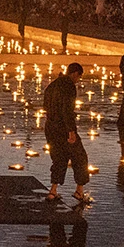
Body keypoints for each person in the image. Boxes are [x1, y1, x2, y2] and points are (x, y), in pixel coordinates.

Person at [42, 61, 90, 203]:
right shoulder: (68, 86)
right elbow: (66, 110)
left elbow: (45, 105)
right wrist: (71, 131)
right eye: (78, 77)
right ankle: (79, 191)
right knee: (80, 157)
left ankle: (53, 191)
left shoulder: (53, 85)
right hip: (63, 128)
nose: (77, 80)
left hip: (50, 127)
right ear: (75, 73)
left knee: (59, 158)